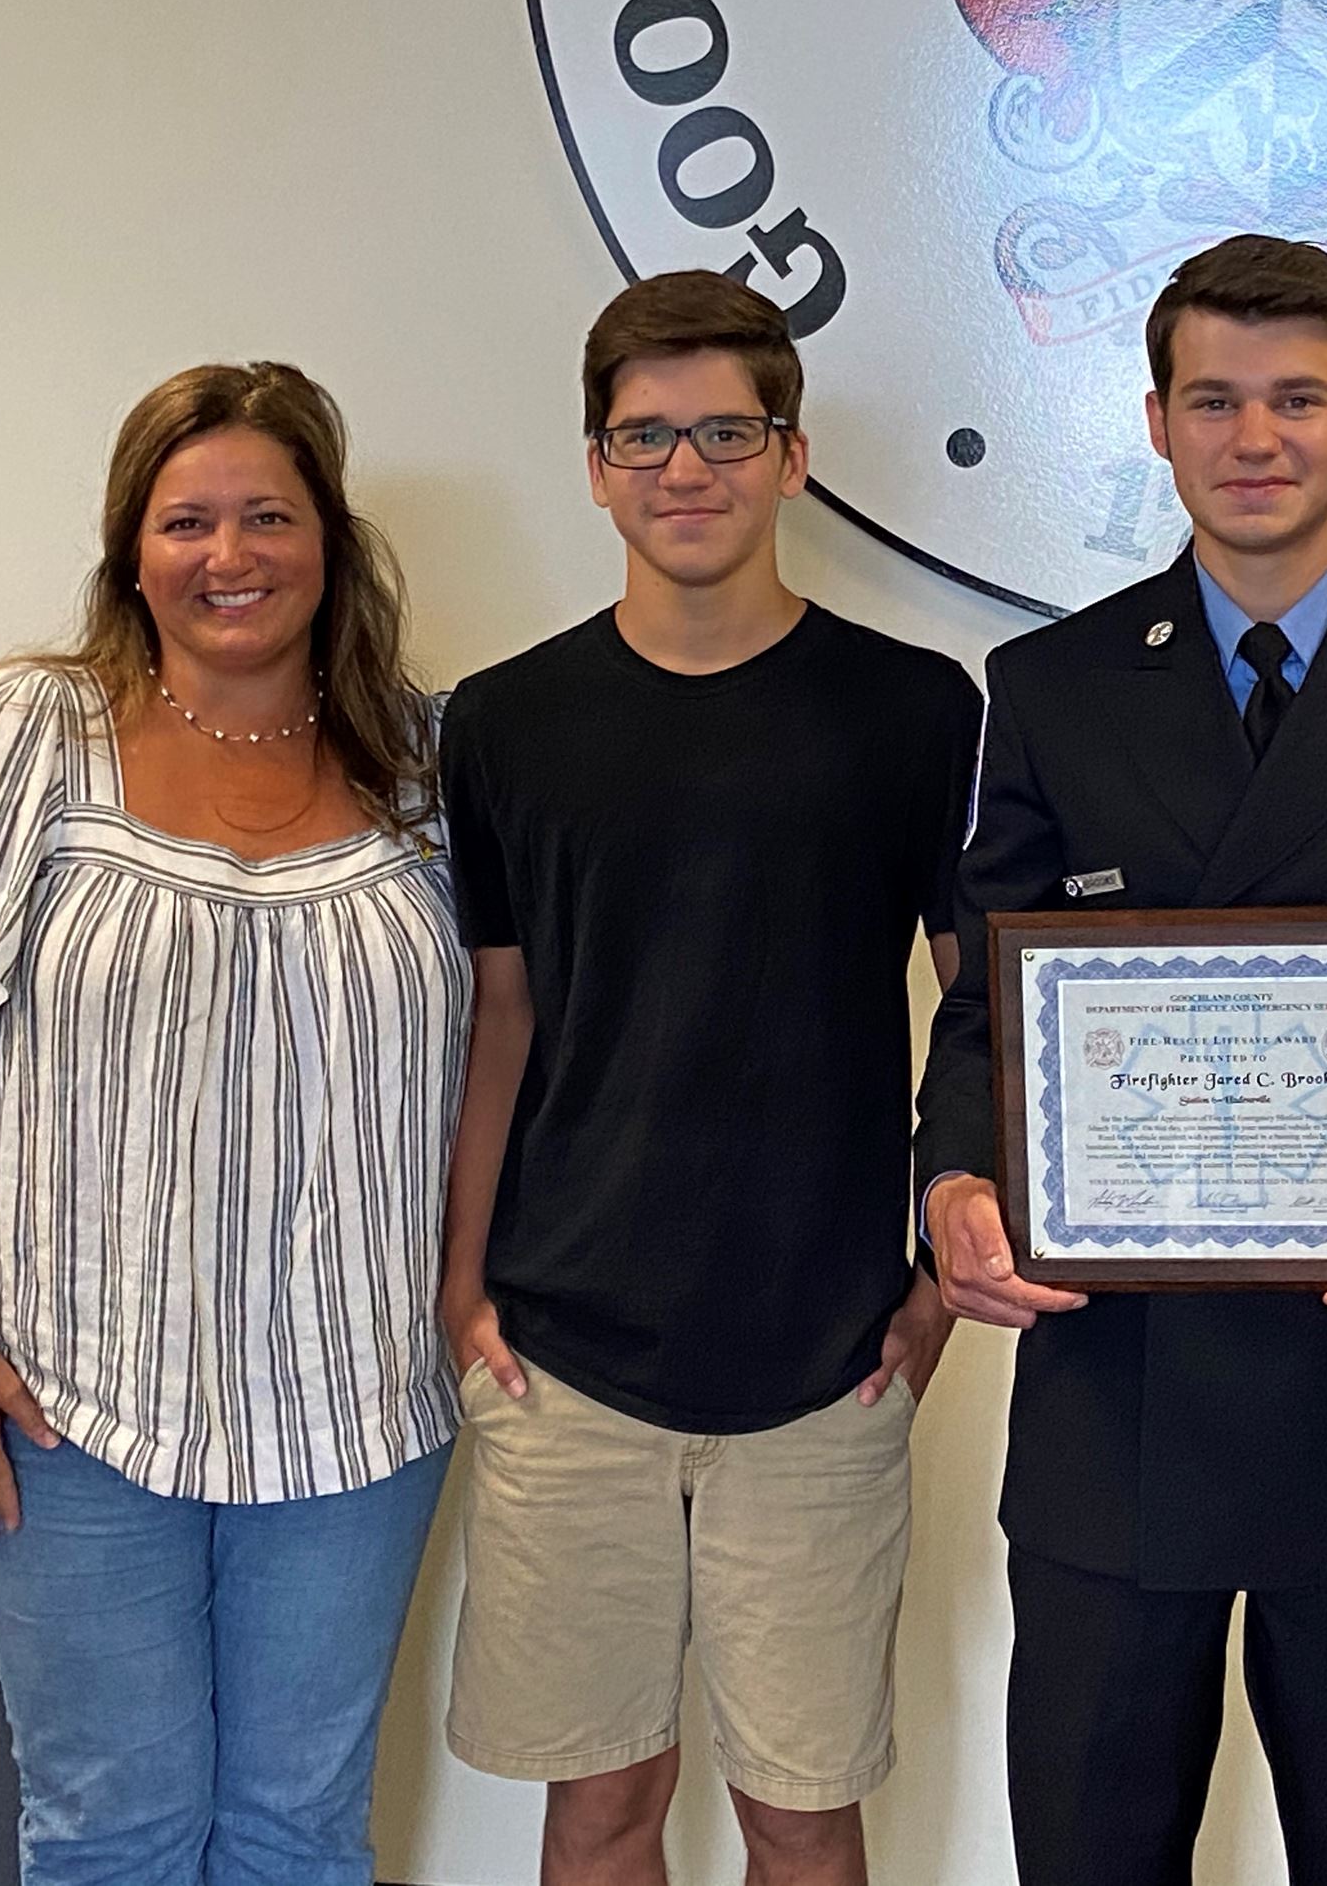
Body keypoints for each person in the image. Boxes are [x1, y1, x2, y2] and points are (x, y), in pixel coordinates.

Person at [917, 234, 1327, 1886]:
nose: (1256, 437)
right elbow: (987, 1008)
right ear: (1156, 422)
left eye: (1298, 399)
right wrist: (953, 1177)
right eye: (1214, 399)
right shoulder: (1052, 687)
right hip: (1113, 1396)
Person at [0, 362, 468, 1886]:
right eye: (187, 521)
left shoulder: (430, 764)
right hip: (70, 1403)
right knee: (112, 1832)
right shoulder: (30, 734)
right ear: (132, 550)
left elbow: (507, 1039)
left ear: (331, 538)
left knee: (299, 1836)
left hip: (356, 1411)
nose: (228, 555)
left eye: (266, 515)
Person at [435, 270, 979, 1886]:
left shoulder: (912, 711)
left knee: (801, 1812)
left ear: (792, 457)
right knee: (599, 1806)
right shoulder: (507, 722)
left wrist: (941, 1289)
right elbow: (504, 1022)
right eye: (646, 436)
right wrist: (462, 1287)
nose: (687, 469)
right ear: (594, 464)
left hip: (825, 1359)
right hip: (565, 1351)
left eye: (726, 432)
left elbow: (982, 1023)